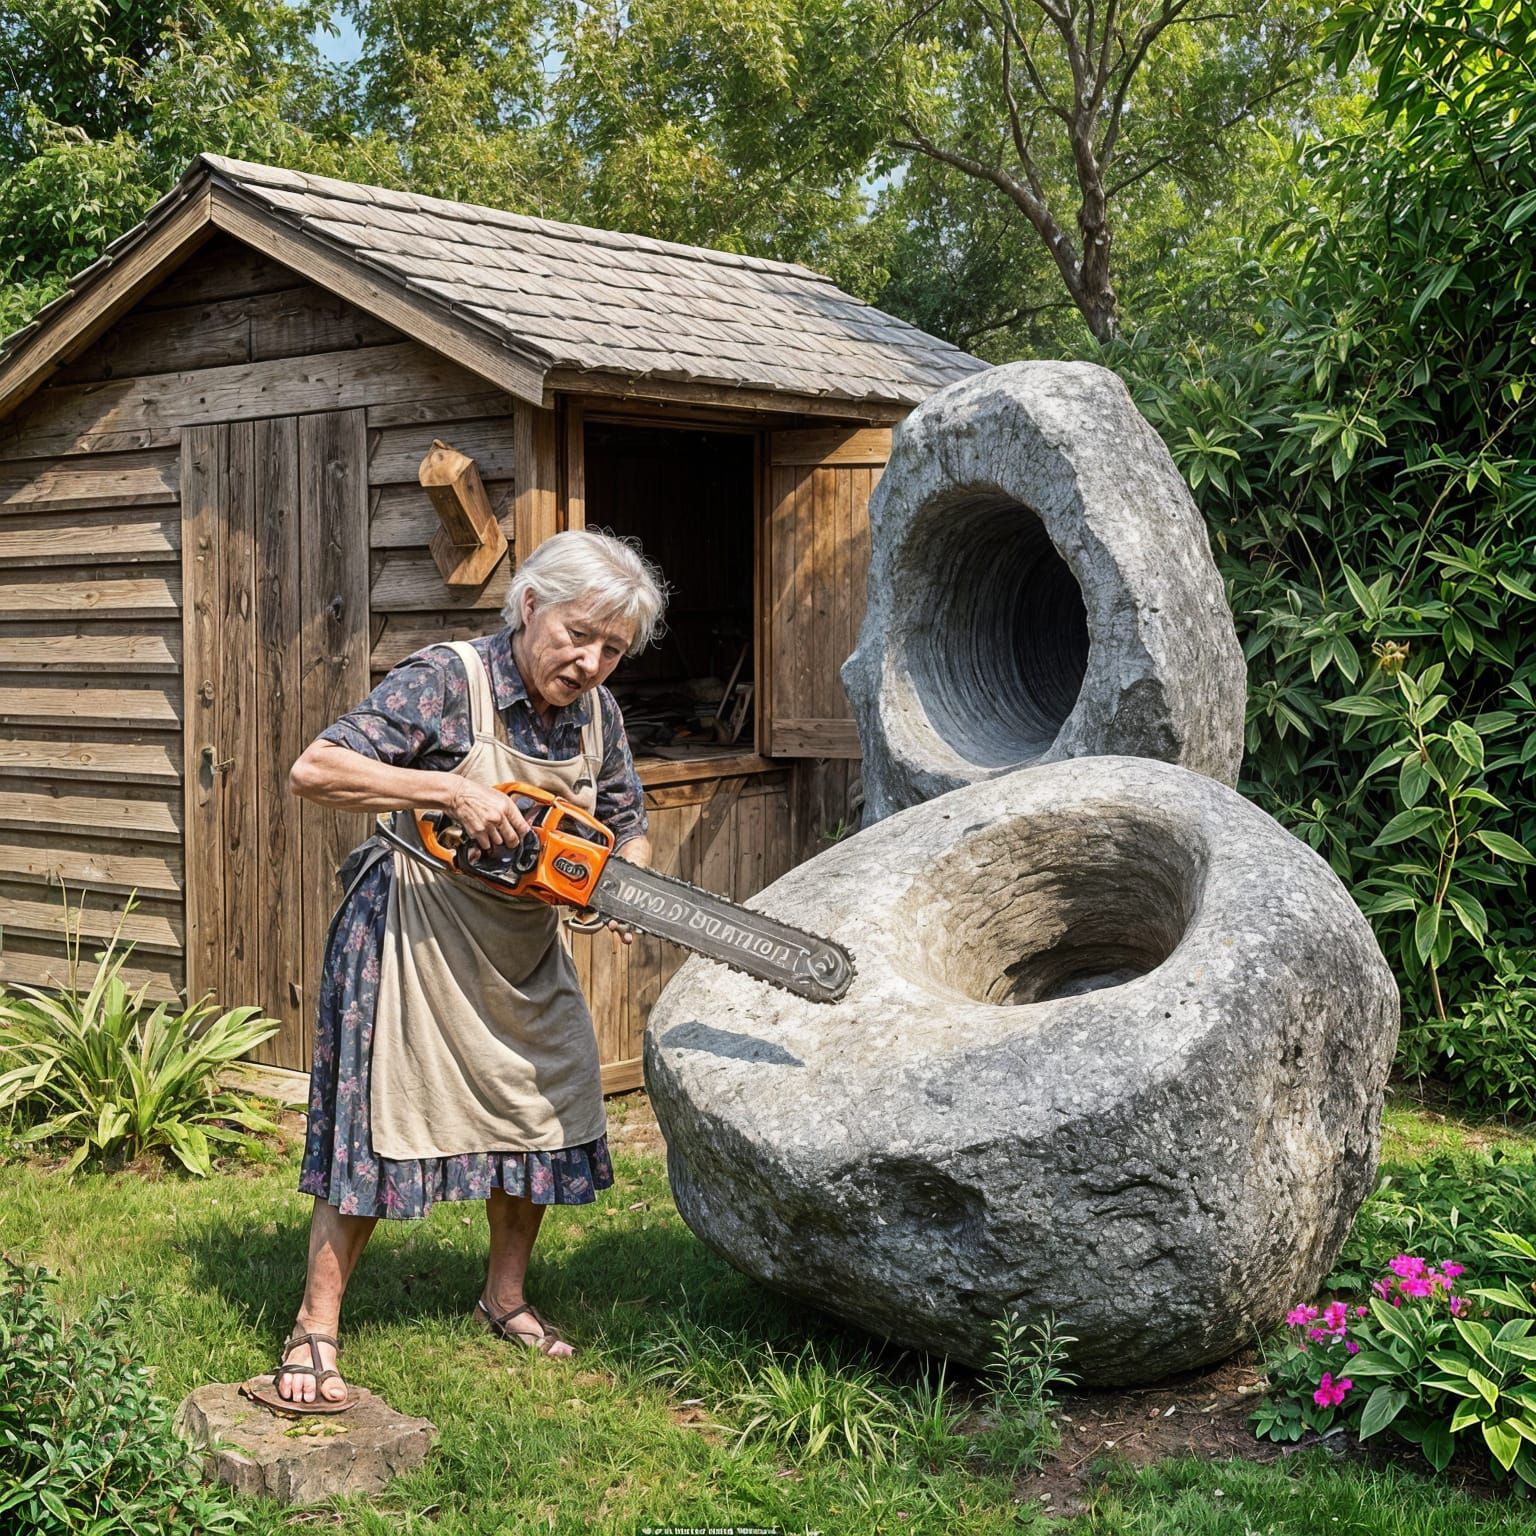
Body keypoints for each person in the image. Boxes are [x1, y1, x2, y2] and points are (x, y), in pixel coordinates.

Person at [260, 528, 666, 1411]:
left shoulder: (598, 713)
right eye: (578, 636)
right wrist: (450, 789)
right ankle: (314, 1327)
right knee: (376, 1124)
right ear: (530, 606)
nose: (590, 663)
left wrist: (618, 881)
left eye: (611, 649)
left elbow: (629, 816)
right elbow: (315, 769)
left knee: (545, 1106)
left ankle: (503, 1298)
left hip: (521, 945)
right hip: (412, 929)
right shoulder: (449, 679)